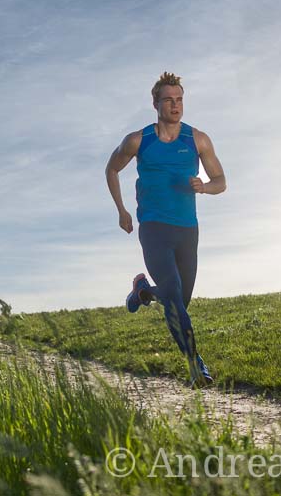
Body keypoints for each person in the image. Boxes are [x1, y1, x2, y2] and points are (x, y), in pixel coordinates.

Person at [104, 71, 226, 388]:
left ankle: (142, 291)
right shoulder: (138, 140)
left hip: (188, 229)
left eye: (179, 99)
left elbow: (221, 182)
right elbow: (112, 168)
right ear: (156, 103)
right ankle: (196, 365)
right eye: (169, 100)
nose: (175, 105)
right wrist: (121, 210)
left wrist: (204, 187)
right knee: (172, 292)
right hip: (154, 226)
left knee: (179, 302)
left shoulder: (197, 139)